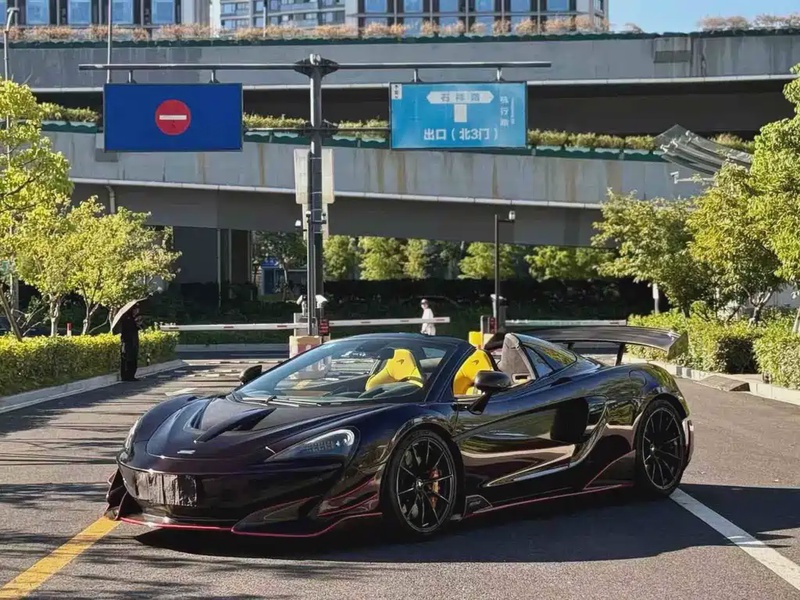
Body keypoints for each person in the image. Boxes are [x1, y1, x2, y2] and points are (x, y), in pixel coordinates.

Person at [113, 303, 142, 381]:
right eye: (135, 309)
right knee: (126, 358)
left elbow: (138, 328)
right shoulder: (126, 318)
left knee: (133, 358)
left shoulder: (134, 318)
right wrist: (134, 322)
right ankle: (126, 376)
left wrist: (138, 323)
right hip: (127, 341)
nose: (137, 311)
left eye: (137, 309)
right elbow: (126, 329)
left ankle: (132, 375)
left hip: (134, 341)